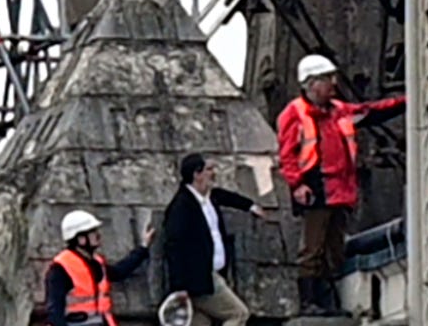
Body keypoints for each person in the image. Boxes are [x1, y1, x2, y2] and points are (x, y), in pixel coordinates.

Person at [276, 52, 404, 314]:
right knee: (313, 248)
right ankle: (310, 302)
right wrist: (297, 185)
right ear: (311, 83)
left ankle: (326, 301)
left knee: (334, 249)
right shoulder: (295, 114)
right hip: (317, 189)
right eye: (327, 79)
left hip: (340, 191)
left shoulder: (339, 111)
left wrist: (404, 102)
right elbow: (287, 154)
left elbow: (371, 112)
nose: (333, 84)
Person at [155, 152, 266, 323]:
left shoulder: (209, 196)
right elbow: (174, 246)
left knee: (203, 322)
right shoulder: (181, 207)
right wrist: (179, 287)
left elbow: (225, 196)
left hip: (212, 274)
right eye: (209, 169)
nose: (213, 173)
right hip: (200, 279)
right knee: (238, 313)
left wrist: (249, 206)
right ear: (196, 174)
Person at [42, 209, 148, 326]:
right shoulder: (60, 268)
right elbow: (55, 311)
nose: (98, 235)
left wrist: (143, 247)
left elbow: (119, 272)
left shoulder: (96, 262)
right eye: (92, 232)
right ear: (81, 239)